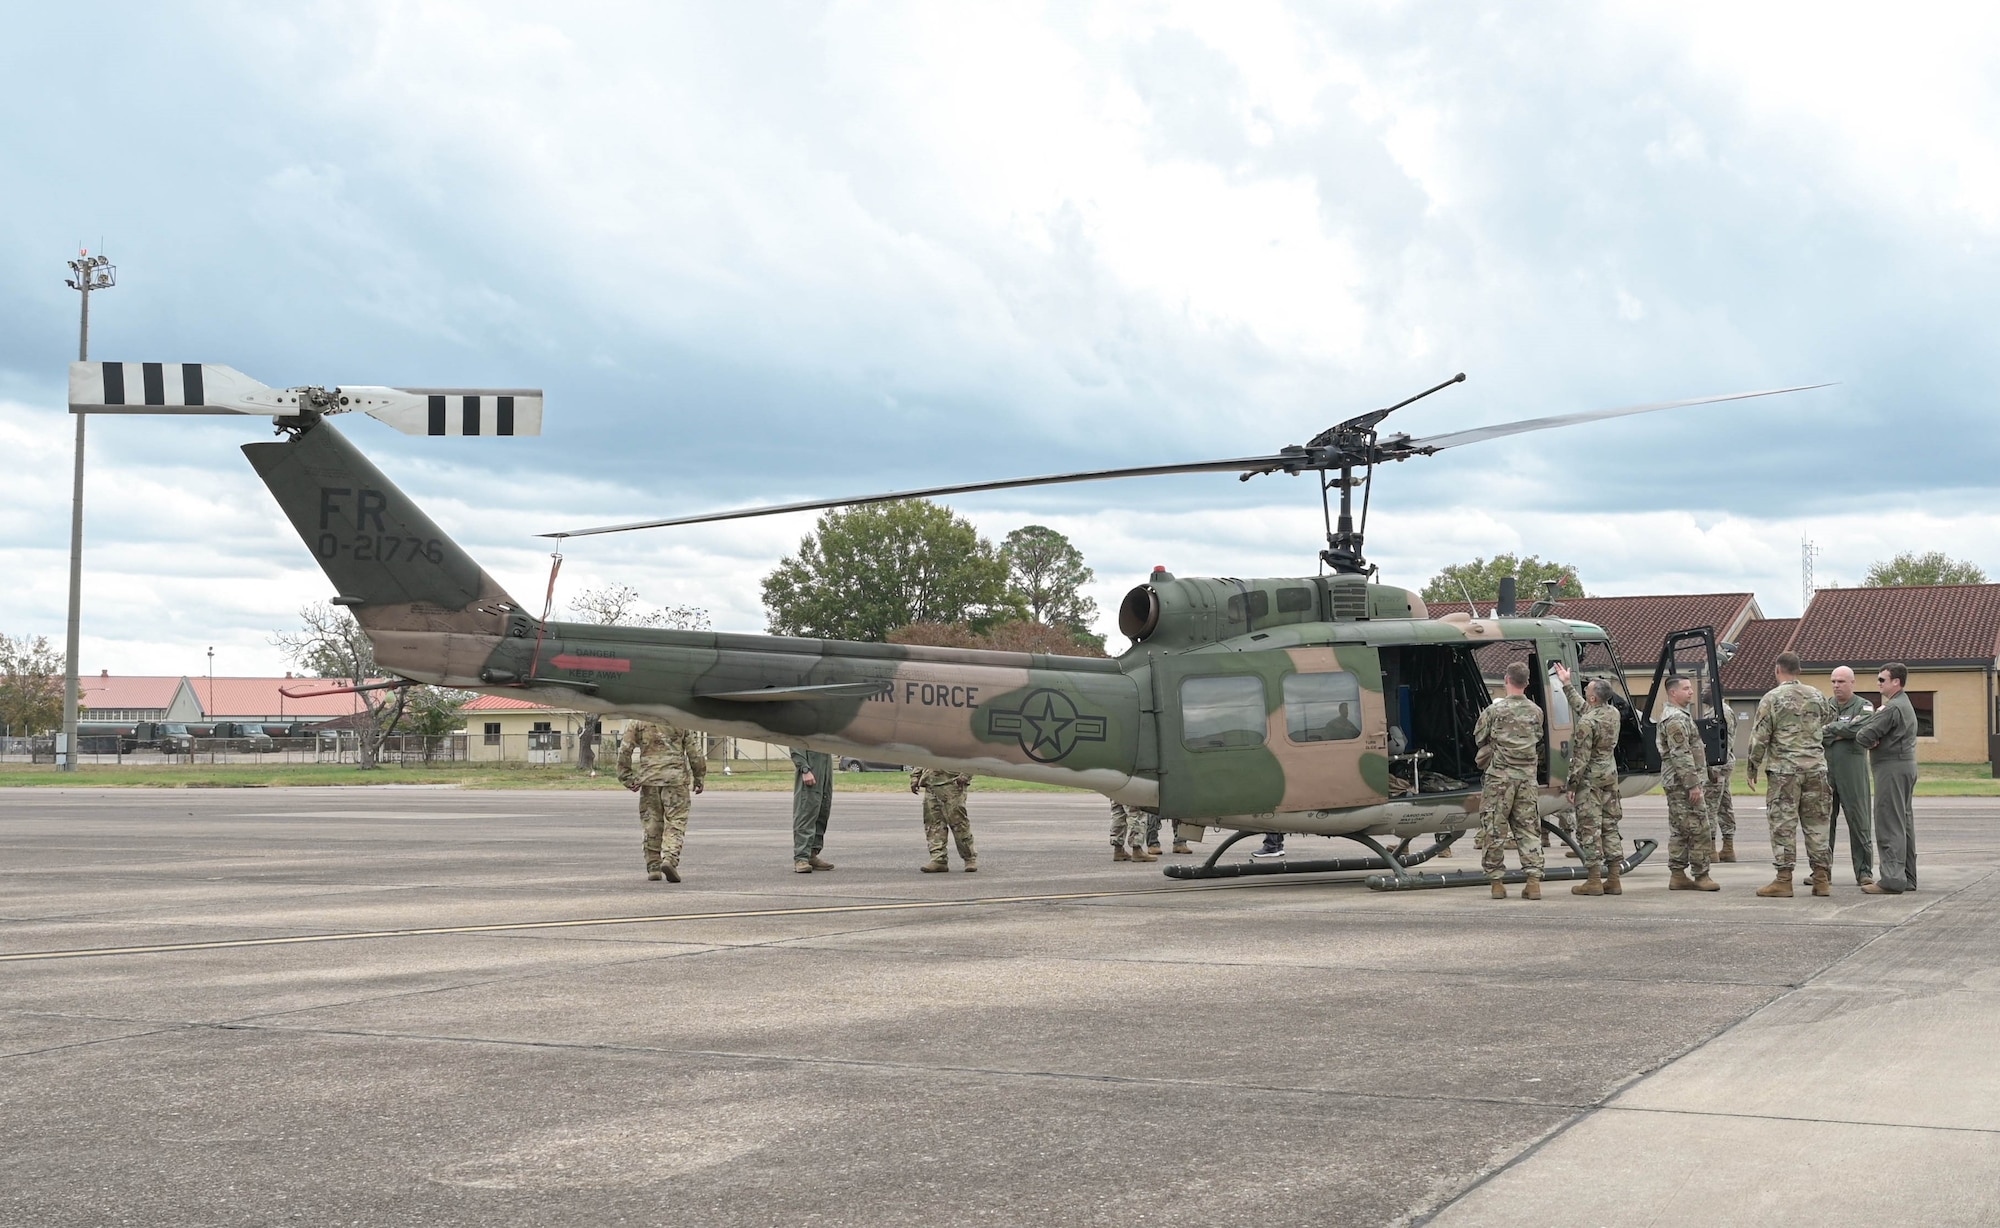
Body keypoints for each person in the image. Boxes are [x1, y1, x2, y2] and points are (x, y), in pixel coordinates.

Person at [1744, 651, 1836, 898]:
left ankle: (1784, 879)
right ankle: (1821, 878)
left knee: (1783, 825)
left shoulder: (1772, 698)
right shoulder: (1817, 695)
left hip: (1785, 772)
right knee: (1817, 824)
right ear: (1800, 671)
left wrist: (1752, 766)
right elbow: (1829, 719)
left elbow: (1760, 736)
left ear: (1777, 670)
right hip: (1816, 769)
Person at [1475, 661, 1545, 900]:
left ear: (1506, 680)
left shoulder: (1494, 711)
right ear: (1526, 683)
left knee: (1494, 828)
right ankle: (1533, 880)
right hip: (1527, 780)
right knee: (1528, 828)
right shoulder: (1536, 711)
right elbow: (1538, 738)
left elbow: (1479, 737)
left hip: (1499, 779)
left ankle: (1497, 883)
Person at [1556, 665, 1624, 896]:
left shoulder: (1587, 723)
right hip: (1610, 777)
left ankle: (1594, 879)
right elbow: (1585, 708)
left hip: (1590, 780)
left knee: (1590, 828)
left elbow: (1581, 758)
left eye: (1587, 691)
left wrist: (1572, 785)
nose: (1585, 692)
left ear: (1593, 697)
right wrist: (1566, 684)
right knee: (1610, 826)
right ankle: (1614, 878)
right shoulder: (1612, 714)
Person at [616, 719, 706, 882]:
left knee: (652, 823)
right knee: (675, 822)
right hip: (675, 779)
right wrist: (699, 777)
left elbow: (625, 749)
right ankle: (670, 859)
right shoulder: (679, 717)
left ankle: (653, 867)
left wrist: (626, 777)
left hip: (649, 779)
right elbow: (695, 752)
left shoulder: (637, 720)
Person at [1856, 662, 1919, 894]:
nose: (1878, 683)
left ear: (1896, 682)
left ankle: (1892, 879)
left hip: (1891, 768)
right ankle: (1907, 877)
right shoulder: (1905, 703)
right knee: (1903, 823)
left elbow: (1864, 735)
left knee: (1889, 822)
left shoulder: (1892, 708)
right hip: (1905, 765)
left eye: (1882, 679)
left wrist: (1873, 723)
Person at [1659, 676, 1719, 891]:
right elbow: (1681, 754)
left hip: (1677, 782)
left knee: (1679, 829)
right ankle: (1701, 875)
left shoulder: (1679, 716)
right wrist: (1693, 784)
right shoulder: (1675, 719)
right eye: (1686, 688)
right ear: (1673, 693)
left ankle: (1678, 874)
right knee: (1700, 827)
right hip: (1681, 784)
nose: (1691, 692)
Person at [1822, 666, 1877, 886]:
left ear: (1852, 683)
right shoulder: (1825, 706)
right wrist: (1840, 731)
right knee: (1824, 823)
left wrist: (1832, 730)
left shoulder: (1863, 706)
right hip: (1827, 771)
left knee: (1859, 821)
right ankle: (1822, 871)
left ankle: (1864, 871)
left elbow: (1860, 729)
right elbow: (1815, 731)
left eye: (1841, 681)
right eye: (1834, 681)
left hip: (1852, 772)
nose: (1836, 686)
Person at [912, 766, 977, 873]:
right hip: (930, 783)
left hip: (952, 783)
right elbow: (920, 757)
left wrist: (966, 775)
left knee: (959, 823)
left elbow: (970, 755)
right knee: (933, 824)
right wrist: (915, 776)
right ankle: (938, 859)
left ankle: (969, 858)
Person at [790, 747, 836, 873]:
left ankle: (812, 854)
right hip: (811, 766)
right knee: (806, 811)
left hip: (825, 765)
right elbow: (795, 743)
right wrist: (804, 768)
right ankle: (801, 858)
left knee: (822, 809)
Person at [1707, 740, 1738, 862]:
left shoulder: (1719, 719)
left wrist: (1714, 768)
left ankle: (1711, 849)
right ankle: (1728, 848)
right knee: (1725, 803)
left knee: (1710, 805)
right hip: (1724, 760)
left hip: (1716, 762)